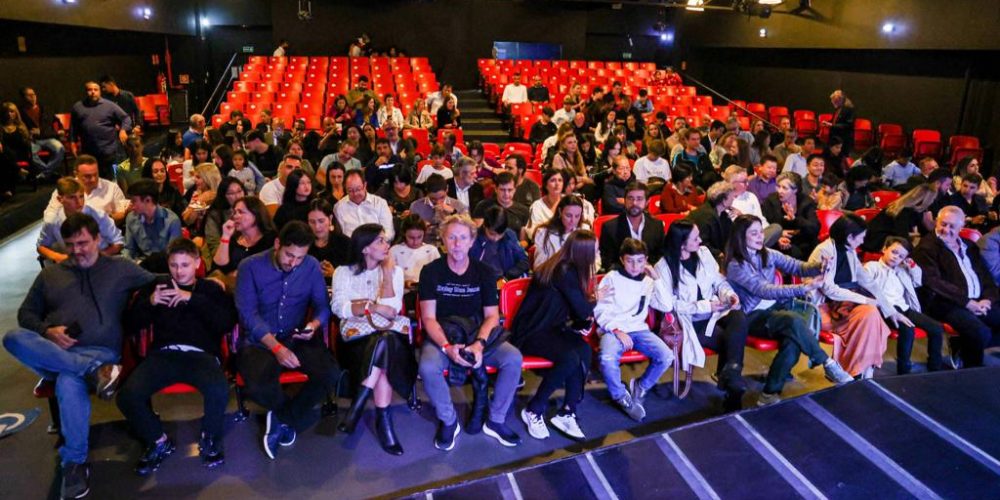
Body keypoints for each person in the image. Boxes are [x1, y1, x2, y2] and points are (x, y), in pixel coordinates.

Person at [3, 213, 155, 499]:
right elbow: (26, 314)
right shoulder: (50, 275)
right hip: (56, 353)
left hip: (101, 351)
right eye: (70, 245)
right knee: (12, 337)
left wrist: (214, 283)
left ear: (98, 239)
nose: (77, 251)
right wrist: (47, 330)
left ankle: (73, 462)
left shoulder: (120, 268)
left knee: (67, 381)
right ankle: (94, 371)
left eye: (83, 243)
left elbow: (158, 280)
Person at [118, 238, 235, 474]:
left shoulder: (209, 289)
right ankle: (158, 440)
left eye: (184, 265)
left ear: (197, 263)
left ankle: (210, 437)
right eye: (173, 265)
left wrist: (191, 298)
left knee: (219, 389)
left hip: (201, 355)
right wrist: (150, 303)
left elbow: (226, 322)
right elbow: (130, 325)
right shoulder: (158, 287)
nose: (179, 271)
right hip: (164, 354)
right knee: (127, 396)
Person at [234, 221, 341, 460]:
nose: (293, 263)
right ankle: (288, 417)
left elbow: (323, 306)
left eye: (299, 258)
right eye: (289, 255)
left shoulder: (310, 266)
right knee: (258, 385)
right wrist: (276, 348)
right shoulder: (250, 266)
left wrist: (313, 326)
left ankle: (281, 418)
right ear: (277, 244)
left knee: (330, 374)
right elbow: (248, 314)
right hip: (260, 341)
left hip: (296, 335)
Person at [724, 215, 855, 406]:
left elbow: (797, 266)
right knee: (794, 321)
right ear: (740, 237)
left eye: (761, 232)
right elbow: (764, 290)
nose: (760, 236)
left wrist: (820, 266)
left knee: (793, 341)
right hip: (751, 317)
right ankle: (827, 363)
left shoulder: (767, 253)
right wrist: (804, 288)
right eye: (754, 233)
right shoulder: (735, 265)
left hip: (776, 309)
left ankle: (768, 393)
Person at [418, 215, 524, 449]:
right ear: (443, 240)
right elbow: (428, 318)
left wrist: (479, 344)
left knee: (513, 358)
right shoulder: (430, 271)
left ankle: (496, 420)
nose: (457, 244)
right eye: (452, 237)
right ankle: (448, 421)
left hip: (478, 333)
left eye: (463, 238)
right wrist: (447, 347)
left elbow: (492, 316)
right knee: (427, 366)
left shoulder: (485, 272)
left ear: (471, 241)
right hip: (444, 333)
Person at [331, 223, 416, 455]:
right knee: (383, 347)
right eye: (380, 240)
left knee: (384, 341)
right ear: (364, 248)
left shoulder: (394, 272)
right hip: (355, 340)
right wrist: (372, 306)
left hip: (388, 336)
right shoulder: (343, 272)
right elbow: (339, 308)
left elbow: (393, 310)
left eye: (386, 240)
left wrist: (387, 275)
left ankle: (358, 405)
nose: (387, 244)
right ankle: (383, 422)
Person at [652, 221, 749, 410]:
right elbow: (671, 305)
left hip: (716, 311)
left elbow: (718, 281)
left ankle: (731, 378)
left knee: (738, 317)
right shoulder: (663, 267)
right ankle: (732, 386)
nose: (700, 241)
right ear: (682, 243)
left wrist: (729, 295)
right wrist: (705, 306)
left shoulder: (704, 254)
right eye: (695, 238)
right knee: (732, 341)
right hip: (691, 322)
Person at [511, 230, 597, 440]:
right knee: (570, 357)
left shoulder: (568, 268)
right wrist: (596, 299)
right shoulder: (564, 271)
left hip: (552, 328)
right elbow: (583, 309)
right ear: (584, 253)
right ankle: (533, 409)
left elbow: (575, 311)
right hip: (531, 332)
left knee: (584, 350)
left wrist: (582, 320)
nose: (597, 254)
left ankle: (568, 411)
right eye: (595, 250)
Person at [595, 238, 672, 420]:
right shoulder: (612, 278)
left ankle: (641, 386)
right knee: (607, 358)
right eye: (630, 261)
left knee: (666, 356)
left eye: (640, 261)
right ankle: (620, 396)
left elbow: (667, 305)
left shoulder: (649, 282)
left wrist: (657, 279)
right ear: (622, 260)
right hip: (613, 329)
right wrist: (616, 330)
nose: (635, 266)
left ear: (646, 260)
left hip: (639, 329)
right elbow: (600, 310)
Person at [808, 214, 892, 379]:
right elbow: (829, 290)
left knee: (871, 314)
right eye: (861, 237)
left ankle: (858, 368)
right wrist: (866, 300)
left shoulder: (850, 251)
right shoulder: (824, 251)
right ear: (849, 237)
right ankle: (859, 369)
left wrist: (889, 309)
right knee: (869, 313)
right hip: (825, 307)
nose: (862, 241)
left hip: (846, 304)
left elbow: (867, 281)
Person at [914, 206, 1000, 368]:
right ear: (936, 222)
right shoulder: (926, 247)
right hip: (945, 303)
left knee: (989, 327)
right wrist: (967, 302)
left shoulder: (969, 246)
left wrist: (988, 300)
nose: (946, 230)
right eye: (943, 224)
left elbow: (985, 277)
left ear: (962, 227)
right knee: (980, 332)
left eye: (952, 226)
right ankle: (971, 371)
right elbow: (934, 282)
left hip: (978, 300)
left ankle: (962, 346)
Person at [864, 237, 945, 374]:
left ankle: (935, 366)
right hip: (884, 308)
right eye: (894, 252)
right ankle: (904, 368)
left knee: (936, 328)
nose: (896, 257)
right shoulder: (873, 267)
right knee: (908, 330)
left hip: (904, 307)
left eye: (901, 256)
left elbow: (917, 282)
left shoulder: (902, 270)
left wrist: (912, 267)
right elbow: (866, 288)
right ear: (884, 249)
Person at [38, 177, 124, 264]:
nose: (79, 202)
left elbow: (118, 242)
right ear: (60, 199)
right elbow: (41, 246)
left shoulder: (98, 215)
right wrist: (58, 257)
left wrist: (95, 258)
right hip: (73, 264)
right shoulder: (53, 221)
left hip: (101, 261)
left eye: (81, 196)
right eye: (72, 197)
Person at [70, 81, 132, 180]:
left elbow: (126, 118)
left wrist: (123, 130)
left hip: (109, 151)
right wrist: (73, 142)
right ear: (85, 92)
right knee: (93, 180)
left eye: (96, 90)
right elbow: (73, 127)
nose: (93, 92)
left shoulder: (109, 106)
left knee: (114, 180)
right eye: (90, 90)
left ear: (100, 91)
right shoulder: (78, 107)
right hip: (89, 152)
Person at [44, 155, 129, 223]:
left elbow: (122, 213)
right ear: (76, 174)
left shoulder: (112, 188)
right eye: (87, 176)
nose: (93, 179)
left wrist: (103, 220)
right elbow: (49, 216)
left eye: (95, 174)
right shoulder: (65, 189)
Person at [599, 181, 665, 269]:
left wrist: (649, 268)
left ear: (647, 202)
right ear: (624, 200)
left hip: (650, 273)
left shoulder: (657, 225)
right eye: (630, 198)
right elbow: (607, 261)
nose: (634, 203)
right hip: (621, 274)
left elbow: (661, 256)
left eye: (639, 199)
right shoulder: (610, 227)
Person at [861, 184, 939, 253]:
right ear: (925, 200)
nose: (932, 202)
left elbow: (923, 231)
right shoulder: (904, 211)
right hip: (876, 241)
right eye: (932, 199)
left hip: (884, 238)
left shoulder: (914, 211)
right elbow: (902, 236)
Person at [122, 179, 182, 268]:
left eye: (134, 201)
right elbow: (129, 248)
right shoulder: (131, 218)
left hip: (165, 266)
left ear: (148, 200)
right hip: (141, 265)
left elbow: (173, 255)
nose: (131, 205)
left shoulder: (171, 221)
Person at [212, 196, 277, 277]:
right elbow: (217, 268)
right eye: (235, 212)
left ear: (255, 214)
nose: (235, 216)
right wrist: (225, 236)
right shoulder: (234, 239)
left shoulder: (271, 239)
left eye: (240, 212)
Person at [761, 172, 820, 260]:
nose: (780, 191)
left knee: (812, 247)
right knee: (794, 252)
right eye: (778, 186)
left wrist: (795, 219)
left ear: (795, 190)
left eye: (784, 188)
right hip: (778, 241)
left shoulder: (806, 202)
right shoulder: (771, 201)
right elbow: (765, 224)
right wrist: (779, 235)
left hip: (802, 240)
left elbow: (814, 228)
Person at [532, 196, 600, 270]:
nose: (573, 220)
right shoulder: (544, 233)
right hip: (555, 275)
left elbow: (596, 261)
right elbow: (538, 267)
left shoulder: (584, 230)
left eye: (577, 216)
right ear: (560, 212)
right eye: (568, 215)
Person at [472, 205, 530, 280]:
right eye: (492, 234)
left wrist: (507, 277)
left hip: (506, 279)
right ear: (484, 226)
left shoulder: (509, 235)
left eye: (500, 234)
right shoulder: (473, 239)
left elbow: (524, 261)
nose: (496, 238)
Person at [18, 87, 65, 179]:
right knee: (31, 154)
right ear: (23, 98)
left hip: (47, 137)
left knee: (60, 148)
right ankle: (49, 173)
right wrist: (27, 133)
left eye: (34, 94)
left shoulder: (45, 109)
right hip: (32, 140)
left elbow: (56, 121)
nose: (33, 97)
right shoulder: (20, 112)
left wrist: (60, 129)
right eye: (29, 95)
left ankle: (44, 174)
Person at [334, 169, 395, 239]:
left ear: (365, 185)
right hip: (352, 245)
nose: (355, 194)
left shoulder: (380, 203)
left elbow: (389, 232)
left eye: (358, 189)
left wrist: (377, 242)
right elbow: (341, 237)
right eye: (350, 190)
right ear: (345, 188)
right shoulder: (339, 207)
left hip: (377, 243)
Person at [686, 181, 737, 260]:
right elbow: (701, 242)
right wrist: (718, 254)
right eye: (732, 196)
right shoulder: (705, 216)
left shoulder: (723, 214)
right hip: (701, 257)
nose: (734, 199)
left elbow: (732, 235)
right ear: (723, 200)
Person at [473, 171, 530, 239]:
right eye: (502, 190)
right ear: (496, 189)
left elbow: (523, 240)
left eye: (510, 190)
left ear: (515, 190)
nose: (506, 194)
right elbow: (478, 235)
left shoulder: (523, 211)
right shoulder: (483, 206)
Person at [391, 214, 440, 291]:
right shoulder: (395, 250)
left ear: (424, 233)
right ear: (404, 234)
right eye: (411, 237)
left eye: (419, 237)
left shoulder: (432, 250)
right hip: (402, 293)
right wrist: (403, 283)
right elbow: (388, 277)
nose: (415, 241)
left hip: (427, 292)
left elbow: (439, 276)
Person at [305, 198, 350, 278]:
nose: (317, 226)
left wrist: (334, 274)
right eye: (312, 222)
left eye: (321, 221)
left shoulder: (345, 243)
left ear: (330, 218)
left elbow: (354, 277)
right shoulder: (303, 244)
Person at [527, 170, 568, 239]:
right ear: (546, 185)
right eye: (553, 180)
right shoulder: (537, 206)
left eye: (560, 180)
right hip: (544, 240)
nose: (557, 184)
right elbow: (534, 231)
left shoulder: (569, 202)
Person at [181, 163, 222, 230]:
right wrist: (199, 201)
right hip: (196, 231)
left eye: (198, 177)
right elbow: (187, 220)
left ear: (208, 178)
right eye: (194, 177)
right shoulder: (197, 193)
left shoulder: (219, 196)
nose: (194, 179)